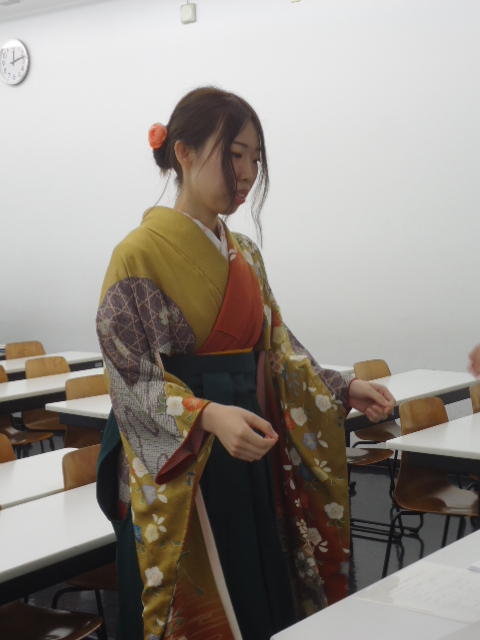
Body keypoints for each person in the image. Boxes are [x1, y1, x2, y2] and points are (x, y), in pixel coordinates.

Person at [96, 86, 395, 640]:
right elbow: (130, 377)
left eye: (255, 158)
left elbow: (278, 350)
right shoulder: (137, 254)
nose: (247, 173)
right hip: (188, 457)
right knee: (203, 598)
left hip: (249, 444)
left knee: (254, 584)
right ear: (183, 152)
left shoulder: (246, 254)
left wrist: (340, 386)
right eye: (234, 154)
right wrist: (208, 415)